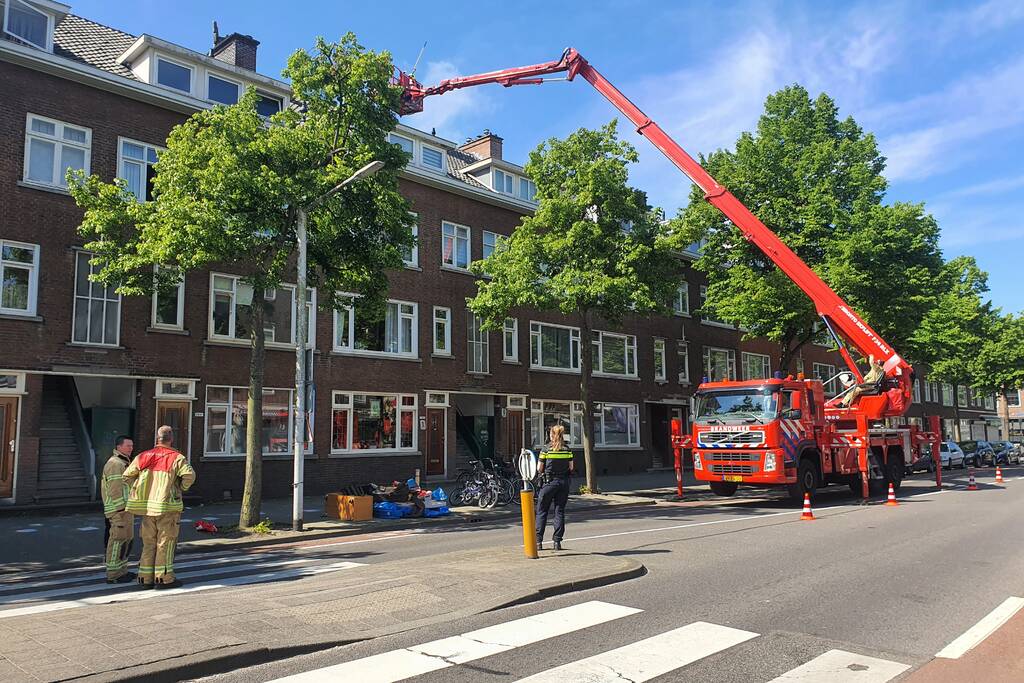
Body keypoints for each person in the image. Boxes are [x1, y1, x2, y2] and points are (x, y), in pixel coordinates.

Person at [123, 425, 195, 589]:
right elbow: (189, 476)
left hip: (147, 508)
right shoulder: (176, 458)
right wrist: (180, 488)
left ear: (157, 438)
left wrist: (140, 491)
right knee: (165, 543)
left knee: (149, 543)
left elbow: (126, 476)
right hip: (167, 507)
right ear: (171, 439)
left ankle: (144, 577)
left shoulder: (143, 456)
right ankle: (164, 578)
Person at [101, 435, 135, 584]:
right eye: (128, 446)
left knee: (126, 540)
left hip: (125, 510)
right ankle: (114, 574)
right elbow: (115, 489)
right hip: (118, 511)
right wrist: (121, 508)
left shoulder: (123, 463)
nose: (131, 448)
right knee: (117, 541)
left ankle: (122, 570)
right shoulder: (116, 464)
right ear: (119, 447)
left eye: (132, 446)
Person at [535, 424, 574, 551]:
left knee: (542, 511)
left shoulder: (546, 449)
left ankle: (538, 542)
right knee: (559, 512)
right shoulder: (567, 450)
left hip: (549, 483)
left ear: (551, 435)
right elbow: (571, 468)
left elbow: (539, 468)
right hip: (563, 483)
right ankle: (557, 542)